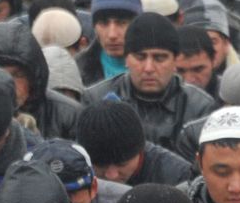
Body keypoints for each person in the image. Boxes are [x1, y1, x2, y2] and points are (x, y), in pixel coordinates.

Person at [87, 13, 216, 150]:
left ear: (175, 61)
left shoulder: (199, 106)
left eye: (159, 58)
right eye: (140, 57)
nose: (149, 68)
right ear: (126, 59)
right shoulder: (96, 98)